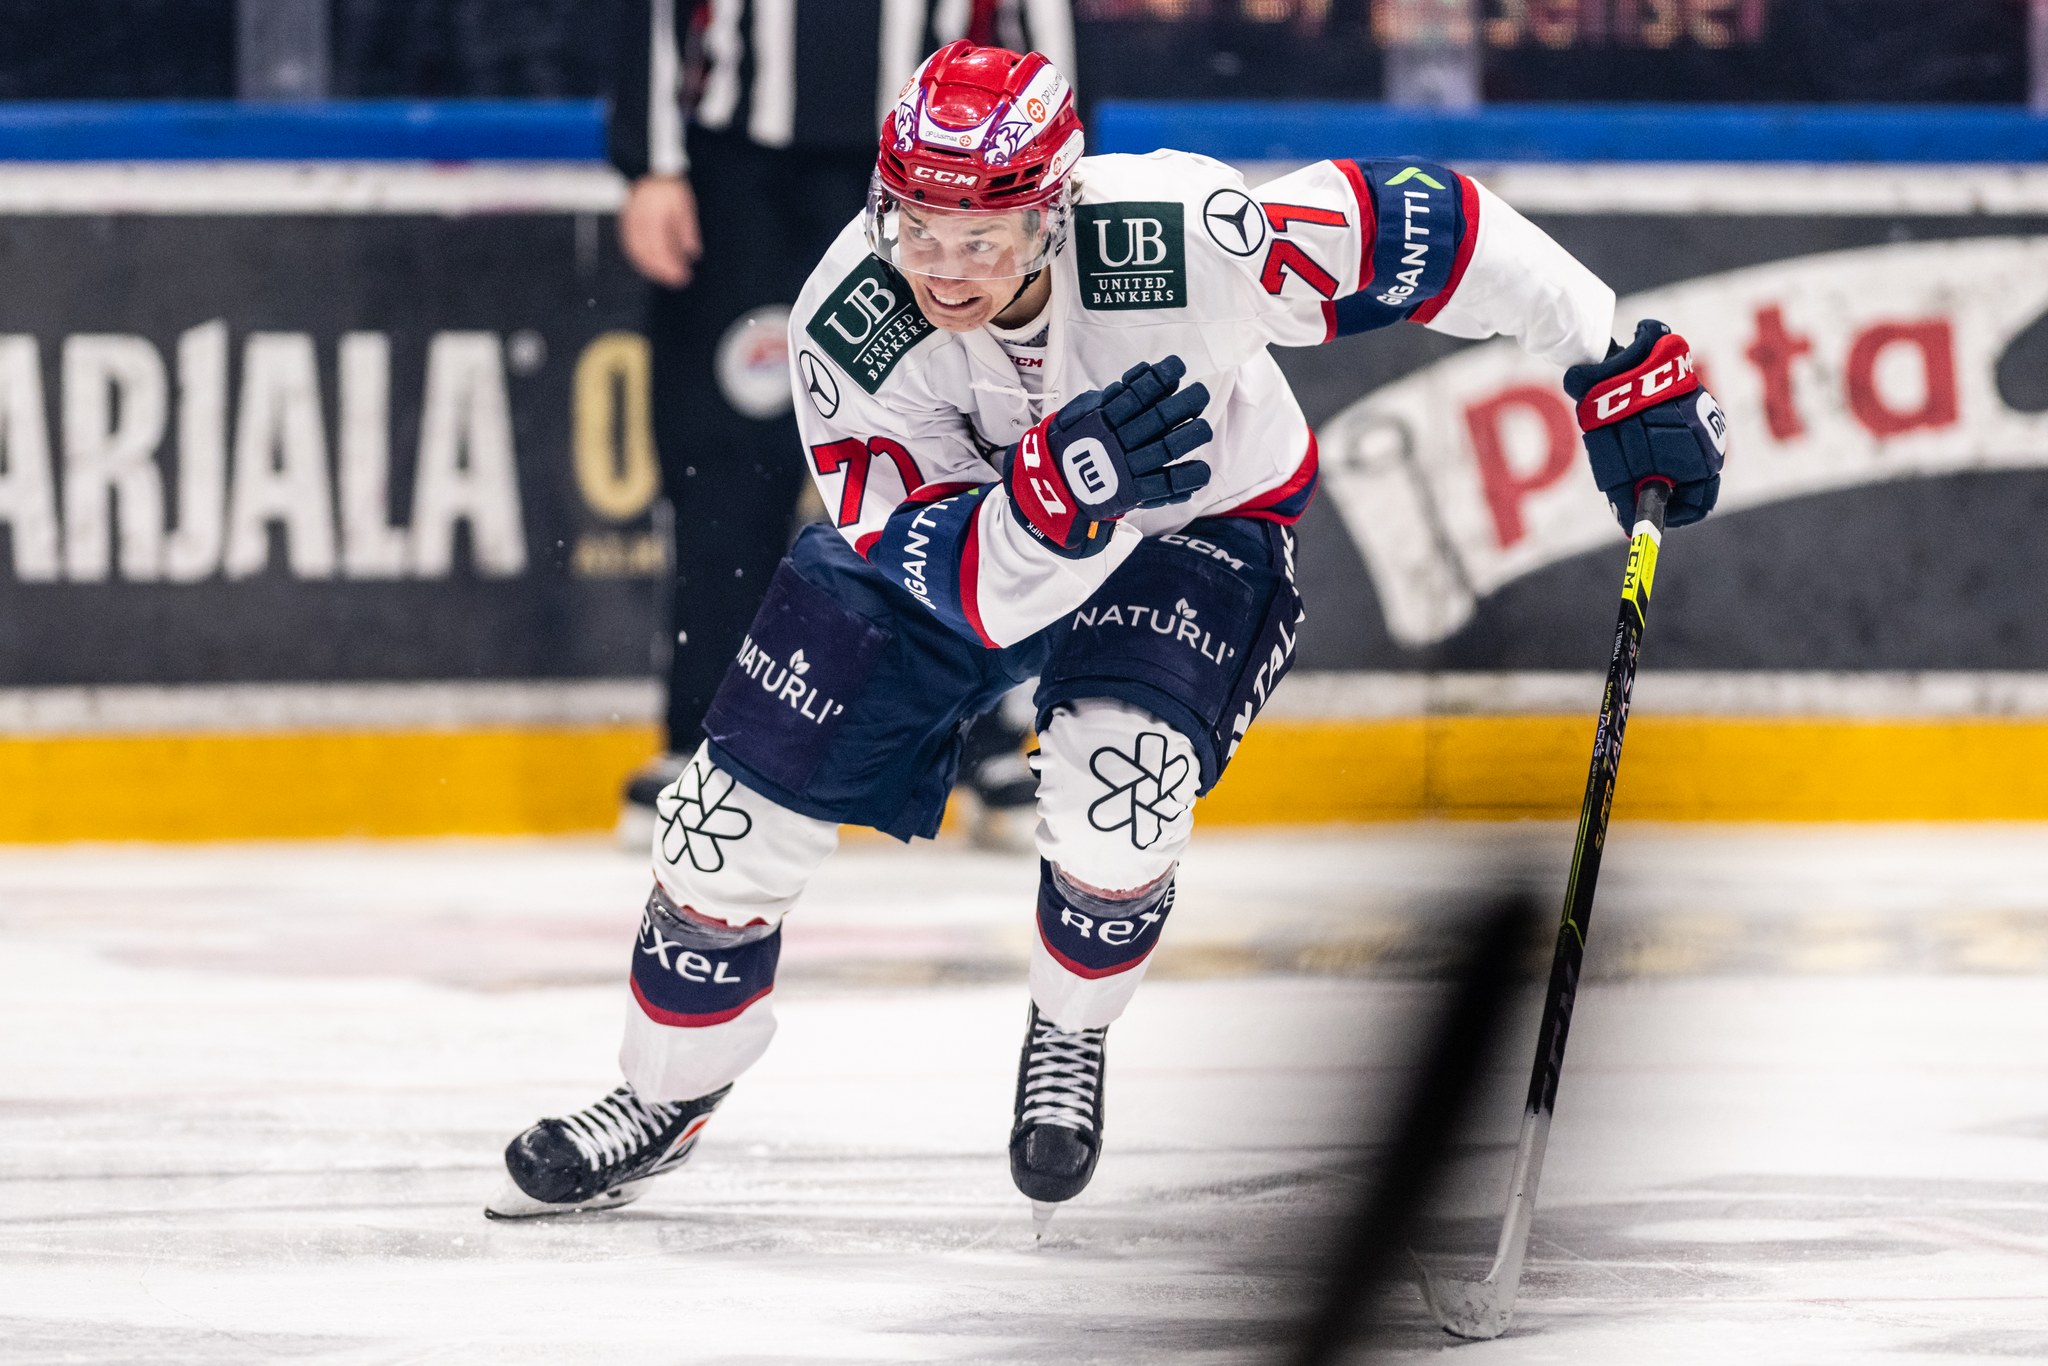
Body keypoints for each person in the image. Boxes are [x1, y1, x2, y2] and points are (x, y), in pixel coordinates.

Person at [489, 41, 1727, 1221]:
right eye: (916, 228)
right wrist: (1045, 501)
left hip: (1197, 521)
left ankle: (1068, 1032)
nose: (943, 268)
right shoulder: (848, 323)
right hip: (968, 547)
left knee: (1119, 796)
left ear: (1052, 213)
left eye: (980, 234)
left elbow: (1426, 225)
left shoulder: (1177, 233)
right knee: (718, 825)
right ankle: (662, 1094)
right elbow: (967, 591)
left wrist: (1604, 349)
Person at [609, 0, 1075, 847]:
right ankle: (710, 735)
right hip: (740, 177)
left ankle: (988, 737)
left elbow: (1039, 21)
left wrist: (1059, 186)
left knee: (970, 441)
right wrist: (652, 164)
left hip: (947, 180)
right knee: (726, 459)